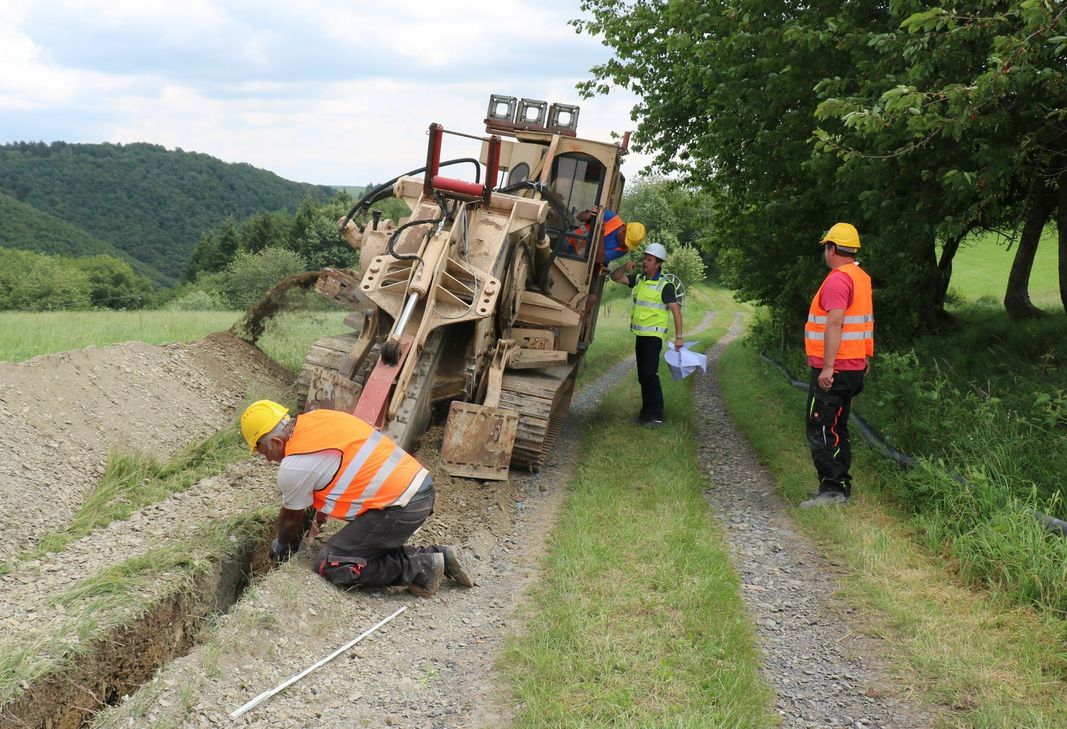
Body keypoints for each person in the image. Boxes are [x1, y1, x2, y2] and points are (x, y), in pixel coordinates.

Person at [240, 400, 474, 596]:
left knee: (331, 563)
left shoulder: (294, 466)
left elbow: (291, 519)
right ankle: (440, 556)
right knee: (358, 549)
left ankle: (422, 567)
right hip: (419, 487)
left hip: (400, 506)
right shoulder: (319, 418)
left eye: (263, 451)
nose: (267, 459)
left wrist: (281, 545)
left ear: (276, 442)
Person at [800, 222, 874, 508]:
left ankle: (832, 491)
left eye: (826, 247)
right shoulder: (861, 277)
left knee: (820, 426)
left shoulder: (838, 280)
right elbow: (863, 323)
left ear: (831, 249)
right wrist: (864, 358)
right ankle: (838, 487)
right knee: (836, 427)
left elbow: (836, 323)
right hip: (853, 367)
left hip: (836, 369)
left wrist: (828, 367)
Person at [609, 242, 684, 426]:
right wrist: (624, 266)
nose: (645, 262)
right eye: (645, 258)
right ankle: (645, 414)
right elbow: (615, 277)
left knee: (650, 374)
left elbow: (676, 311)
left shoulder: (665, 285)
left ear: (658, 263)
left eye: (649, 260)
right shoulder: (639, 279)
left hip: (654, 337)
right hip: (640, 335)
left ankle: (656, 416)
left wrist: (679, 337)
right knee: (643, 376)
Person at [567, 206, 645, 262]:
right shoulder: (610, 217)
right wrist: (588, 216)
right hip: (568, 242)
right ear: (624, 229)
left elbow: (599, 259)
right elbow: (579, 216)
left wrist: (601, 234)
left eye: (629, 245)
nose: (626, 246)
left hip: (578, 261)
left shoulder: (623, 250)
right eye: (626, 242)